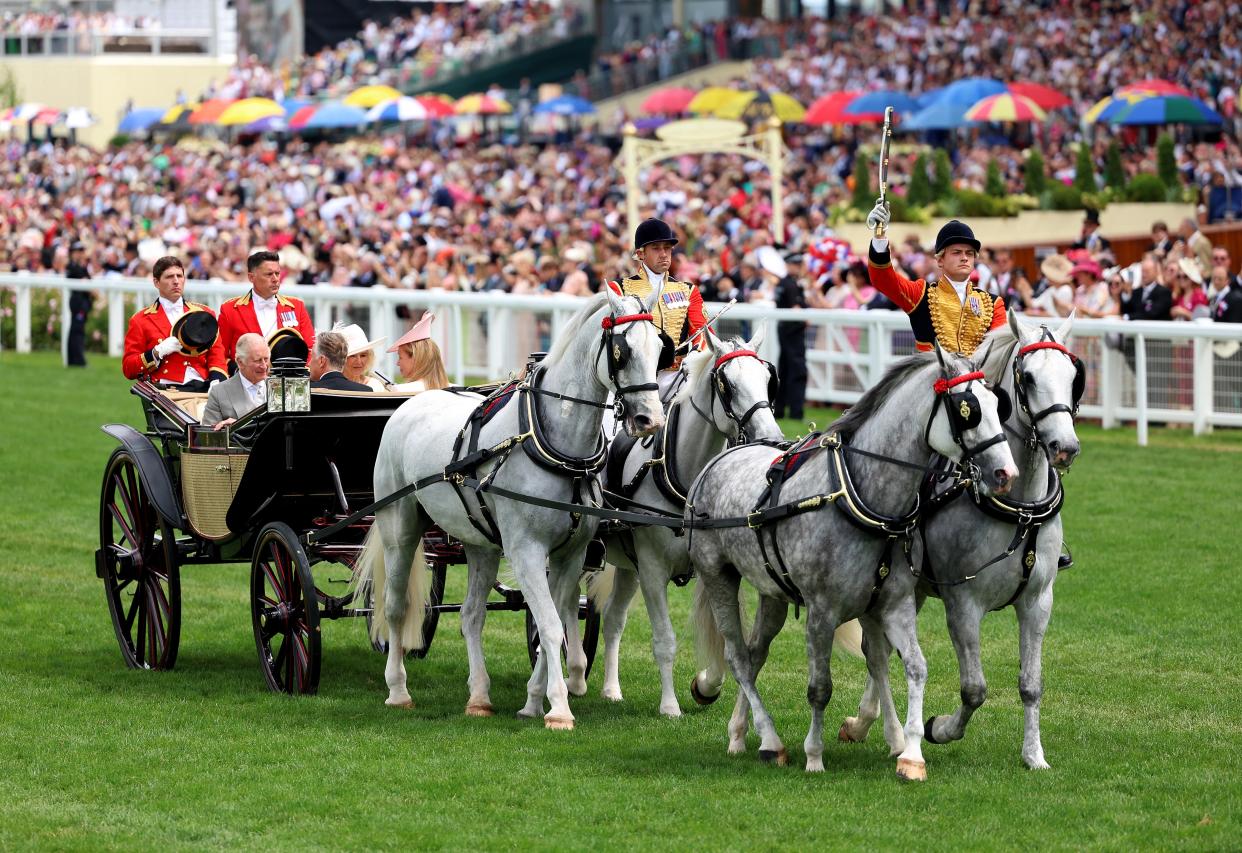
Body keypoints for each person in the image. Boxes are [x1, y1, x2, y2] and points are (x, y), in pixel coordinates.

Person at [865, 203, 1006, 356]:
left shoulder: (994, 304)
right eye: (957, 252)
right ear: (940, 260)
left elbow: (1000, 353)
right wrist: (880, 236)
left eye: (970, 253)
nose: (965, 258)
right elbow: (882, 279)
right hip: (932, 379)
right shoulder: (921, 294)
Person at [609, 218, 706, 379]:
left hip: (677, 376)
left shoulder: (689, 290)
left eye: (667, 248)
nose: (663, 254)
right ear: (640, 253)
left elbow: (702, 332)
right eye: (656, 248)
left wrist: (695, 354)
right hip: (633, 377)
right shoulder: (618, 289)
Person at [122, 255, 227, 390]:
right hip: (165, 390)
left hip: (203, 386)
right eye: (169, 277)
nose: (176, 281)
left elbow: (216, 354)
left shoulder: (203, 314)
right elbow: (128, 368)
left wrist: (217, 381)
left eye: (180, 276)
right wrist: (155, 353)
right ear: (156, 282)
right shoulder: (140, 320)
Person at [218, 250, 315, 370]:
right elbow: (220, 353)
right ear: (251, 277)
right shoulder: (230, 310)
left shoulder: (297, 307)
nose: (275, 279)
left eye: (277, 273)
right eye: (269, 274)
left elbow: (310, 349)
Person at [759, 247, 807, 420]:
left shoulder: (783, 283)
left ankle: (779, 409)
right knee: (797, 371)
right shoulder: (791, 284)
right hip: (794, 332)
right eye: (798, 264)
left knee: (785, 370)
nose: (800, 267)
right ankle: (796, 412)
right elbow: (797, 310)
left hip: (784, 330)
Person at [202, 333, 271, 428]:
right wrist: (229, 430)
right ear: (240, 362)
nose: (264, 366)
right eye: (257, 360)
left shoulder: (282, 388)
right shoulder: (219, 393)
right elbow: (207, 437)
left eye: (266, 359)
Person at [388, 312, 449, 392]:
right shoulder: (454, 389)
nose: (397, 363)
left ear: (416, 359)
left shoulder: (400, 390)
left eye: (400, 357)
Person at [335, 323, 388, 390]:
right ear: (342, 359)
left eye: (363, 355)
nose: (359, 361)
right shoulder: (333, 386)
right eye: (353, 356)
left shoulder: (375, 385)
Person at [1119, 256, 1173, 321]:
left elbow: (1152, 313)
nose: (1144, 275)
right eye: (1142, 271)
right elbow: (1126, 310)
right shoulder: (1136, 292)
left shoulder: (1164, 292)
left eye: (1147, 271)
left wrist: (1127, 317)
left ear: (1155, 272)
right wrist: (1126, 293)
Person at [66, 241, 91, 367]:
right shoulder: (73, 267)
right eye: (78, 252)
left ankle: (74, 360)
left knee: (76, 331)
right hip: (78, 303)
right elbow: (86, 283)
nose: (81, 254)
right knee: (77, 332)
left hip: (82, 303)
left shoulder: (81, 267)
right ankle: (78, 360)